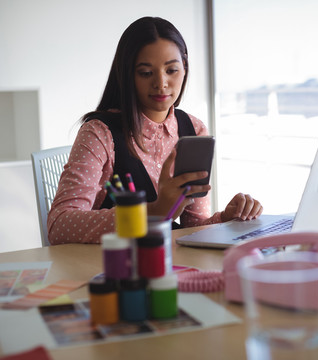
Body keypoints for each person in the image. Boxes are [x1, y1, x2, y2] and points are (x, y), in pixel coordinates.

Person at [47, 17, 263, 245]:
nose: (161, 83)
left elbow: (192, 226)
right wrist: (153, 212)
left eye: (171, 70)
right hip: (113, 267)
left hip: (169, 261)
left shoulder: (194, 130)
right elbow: (59, 225)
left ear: (184, 69)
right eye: (146, 73)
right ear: (127, 75)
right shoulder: (99, 134)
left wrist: (225, 219)